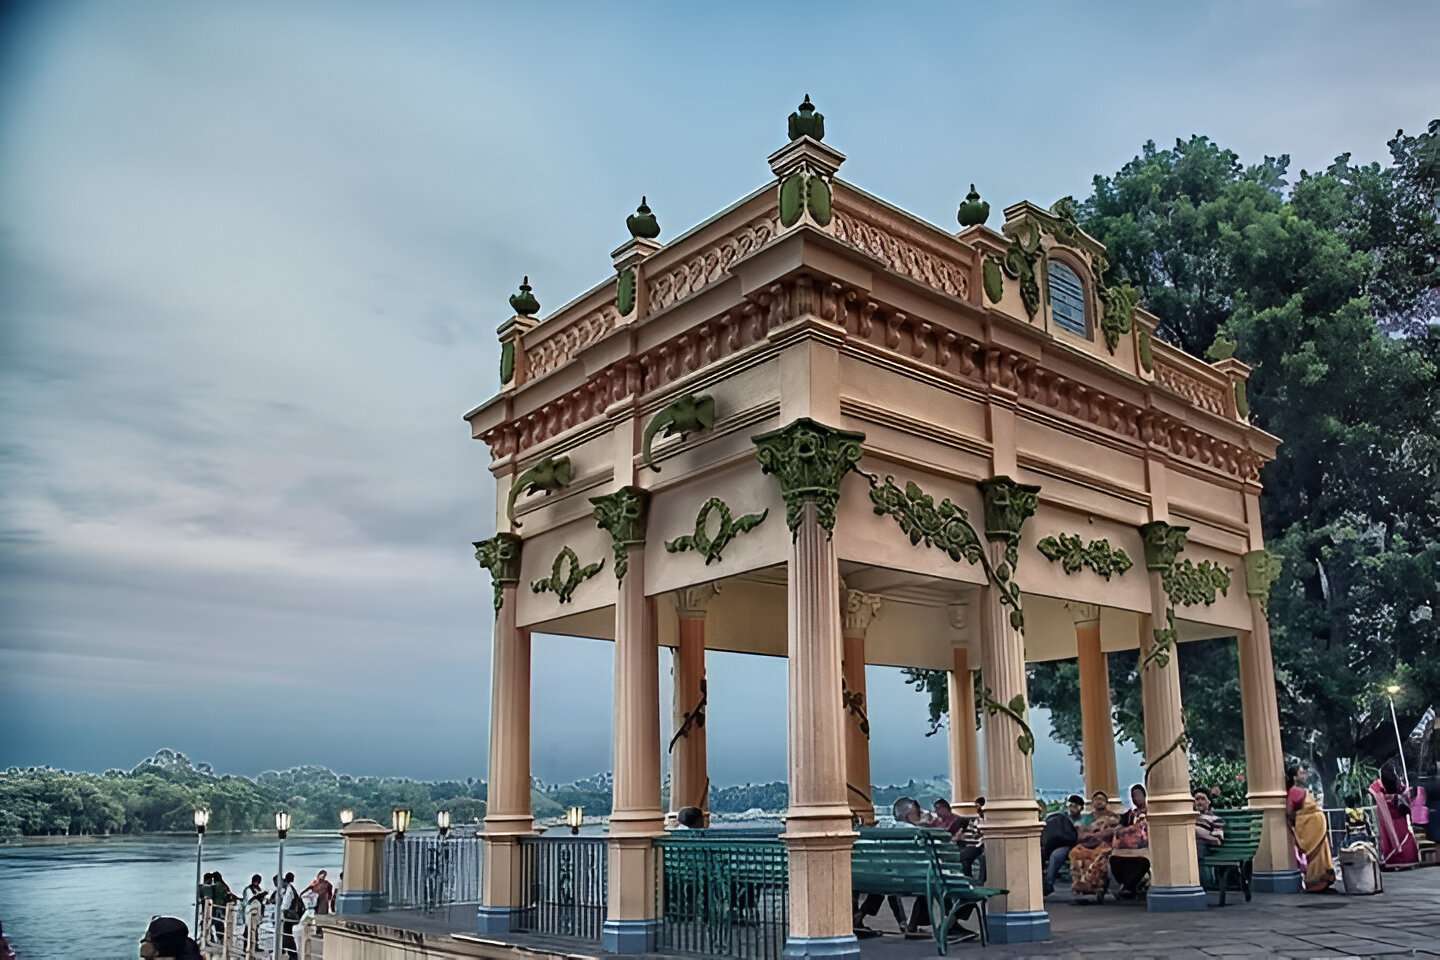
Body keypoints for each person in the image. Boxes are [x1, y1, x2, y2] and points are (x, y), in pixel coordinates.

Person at [854, 797, 929, 938]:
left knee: (885, 879)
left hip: (881, 879)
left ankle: (859, 916)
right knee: (928, 880)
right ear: (908, 816)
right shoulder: (917, 832)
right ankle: (912, 926)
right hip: (912, 880)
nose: (919, 816)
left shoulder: (882, 828)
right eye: (917, 813)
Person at [1287, 762, 1336, 891]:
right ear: (1294, 777)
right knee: (1315, 855)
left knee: (1322, 853)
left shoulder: (1303, 790)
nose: (1305, 776)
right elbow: (1290, 812)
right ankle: (1315, 882)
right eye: (1301, 773)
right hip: (1309, 828)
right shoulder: (1295, 791)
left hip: (1316, 826)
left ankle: (1324, 879)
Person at [1067, 790, 1120, 901]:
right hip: (1088, 844)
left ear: (1106, 802)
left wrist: (1096, 834)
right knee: (1075, 853)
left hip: (1104, 844)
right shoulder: (1087, 818)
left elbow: (1112, 831)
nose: (1098, 802)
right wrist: (1090, 835)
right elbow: (1081, 833)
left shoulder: (1113, 817)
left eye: (1101, 799)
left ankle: (1095, 887)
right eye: (1096, 799)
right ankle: (1079, 886)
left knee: (1099, 855)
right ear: (1092, 803)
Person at [1369, 763, 1419, 869]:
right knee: (1403, 838)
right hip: (1397, 819)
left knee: (1393, 839)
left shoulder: (1378, 789)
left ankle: (1394, 860)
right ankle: (1405, 859)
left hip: (1389, 821)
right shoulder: (1398, 789)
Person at [1110, 783, 1151, 899]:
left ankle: (1128, 887)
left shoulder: (1152, 813)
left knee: (1141, 861)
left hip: (1145, 847)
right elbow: (1118, 828)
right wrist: (1127, 829)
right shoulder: (1130, 814)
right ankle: (1128, 886)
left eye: (1138, 795)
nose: (1135, 798)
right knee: (1115, 860)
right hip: (1127, 848)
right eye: (1133, 796)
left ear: (1144, 795)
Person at [1042, 794, 1085, 896]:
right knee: (1039, 853)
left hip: (1070, 845)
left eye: (1076, 806)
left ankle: (1048, 884)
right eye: (1071, 805)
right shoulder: (1060, 816)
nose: (1072, 808)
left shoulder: (1082, 820)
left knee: (1056, 856)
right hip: (1053, 843)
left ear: (1081, 808)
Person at [955, 796, 985, 880]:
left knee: (963, 856)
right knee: (965, 861)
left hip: (980, 846)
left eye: (978, 806)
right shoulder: (976, 820)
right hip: (975, 845)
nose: (978, 809)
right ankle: (968, 879)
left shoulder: (986, 819)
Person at [242, 874, 266, 952]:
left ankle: (255, 945)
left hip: (257, 913)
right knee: (248, 930)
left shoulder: (258, 889)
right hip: (250, 912)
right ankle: (246, 947)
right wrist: (259, 895)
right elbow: (251, 898)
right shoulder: (248, 889)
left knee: (255, 930)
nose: (258, 883)